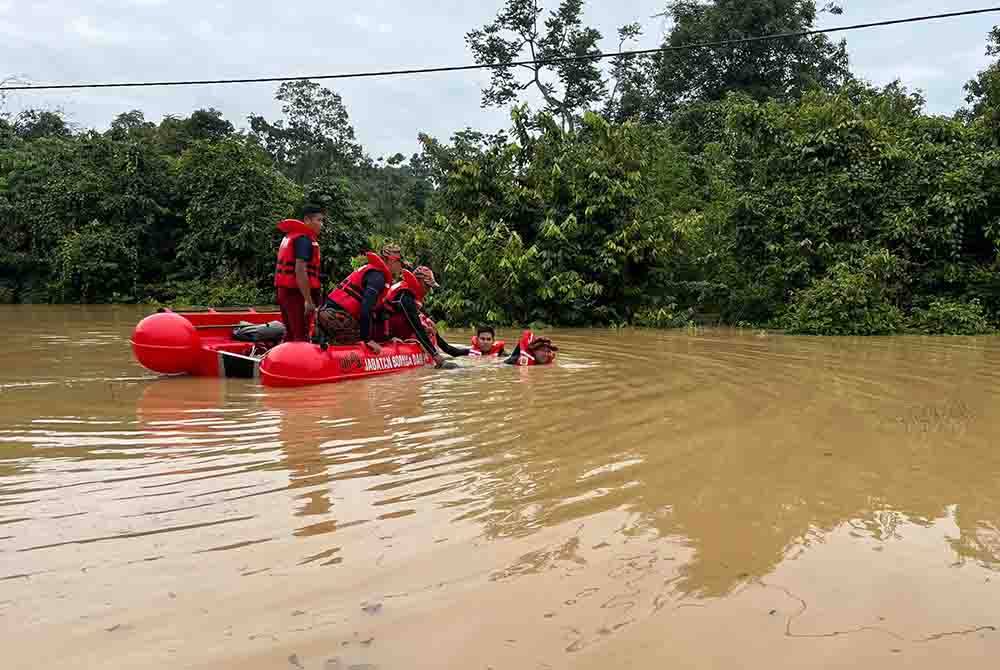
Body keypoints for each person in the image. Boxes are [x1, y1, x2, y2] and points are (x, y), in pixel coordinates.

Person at [316, 243, 404, 351]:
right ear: (389, 260)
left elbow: (378, 312)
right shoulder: (378, 277)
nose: (401, 265)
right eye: (399, 261)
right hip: (336, 315)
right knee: (358, 342)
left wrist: (389, 338)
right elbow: (365, 308)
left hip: (327, 312)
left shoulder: (374, 271)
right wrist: (366, 340)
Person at [379, 266, 457, 368]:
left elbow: (445, 347)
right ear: (418, 281)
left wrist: (468, 352)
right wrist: (435, 355)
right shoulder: (405, 296)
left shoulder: (410, 295)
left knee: (427, 325)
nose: (429, 290)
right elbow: (417, 327)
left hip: (390, 329)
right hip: (381, 330)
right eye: (427, 286)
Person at [273, 205, 324, 342]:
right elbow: (300, 269)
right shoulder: (304, 239)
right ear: (307, 220)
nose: (321, 225)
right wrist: (308, 300)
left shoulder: (291, 236)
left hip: (285, 291)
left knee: (291, 333)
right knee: (301, 335)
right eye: (319, 220)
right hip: (297, 293)